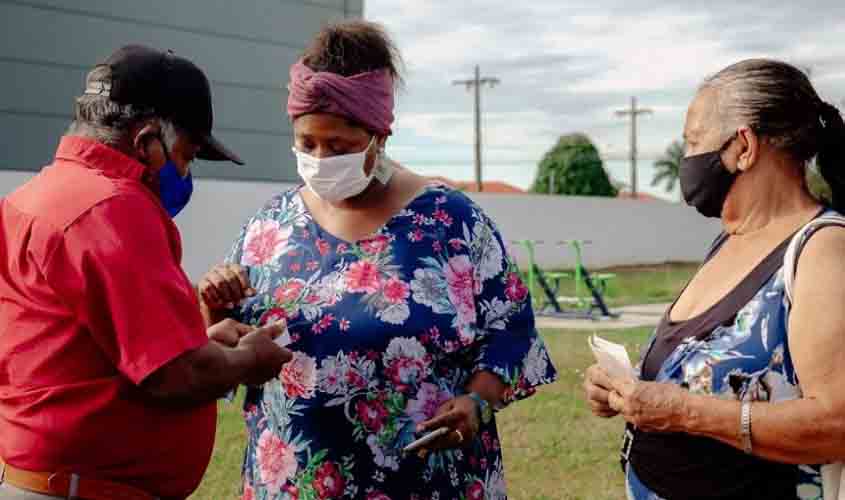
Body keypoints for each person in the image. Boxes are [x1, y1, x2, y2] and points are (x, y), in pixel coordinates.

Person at [198, 20, 557, 500]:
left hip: (427, 482)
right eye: (307, 143)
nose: (320, 159)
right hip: (292, 484)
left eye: (339, 147)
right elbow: (223, 351)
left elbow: (511, 332)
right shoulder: (271, 227)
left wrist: (476, 402)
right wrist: (215, 308)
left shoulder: (450, 223)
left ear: (379, 137)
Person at [0, 45, 292, 500]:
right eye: (187, 153)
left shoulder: (33, 197)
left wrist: (204, 344)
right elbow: (173, 375)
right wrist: (245, 362)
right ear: (147, 139)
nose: (185, 170)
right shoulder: (113, 207)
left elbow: (92, 352)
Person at [584, 58, 845, 499]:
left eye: (693, 142)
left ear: (742, 146)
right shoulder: (728, 242)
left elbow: (835, 423)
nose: (687, 159)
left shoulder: (822, 249)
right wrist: (624, 387)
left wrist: (683, 412)